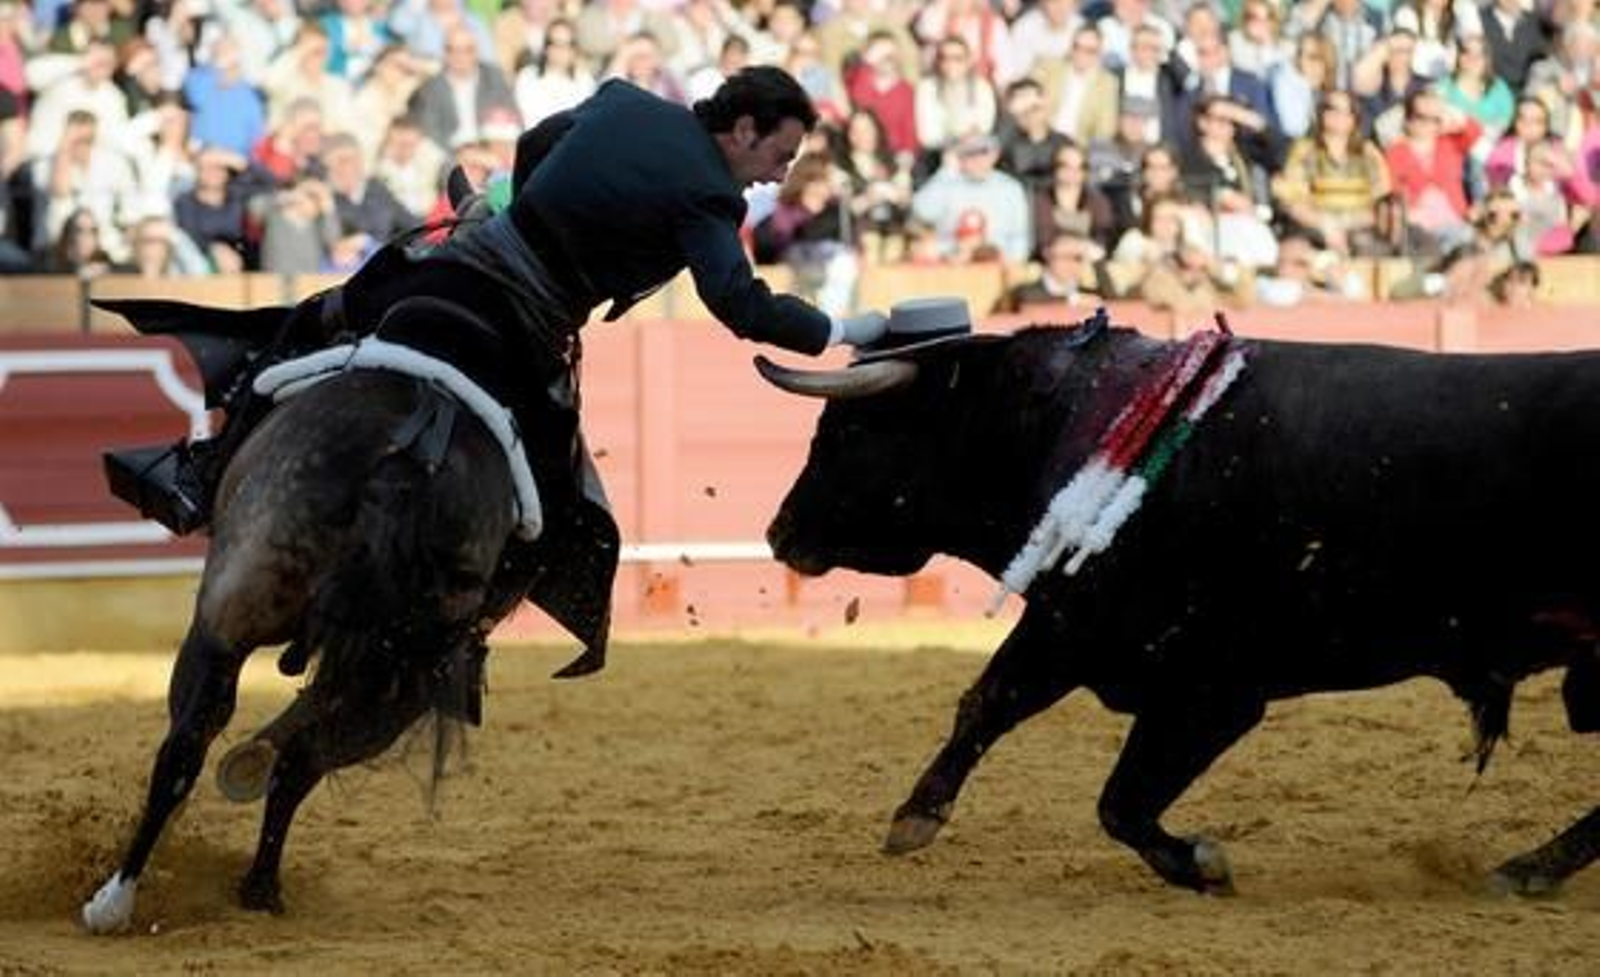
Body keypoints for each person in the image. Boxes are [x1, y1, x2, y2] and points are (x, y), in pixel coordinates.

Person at [111, 67, 890, 551]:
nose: (776, 178)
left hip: (468, 258)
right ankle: (485, 605)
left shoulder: (623, 100)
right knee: (556, 490)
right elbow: (740, 304)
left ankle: (202, 467)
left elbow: (534, 139)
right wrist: (844, 329)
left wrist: (517, 208)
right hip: (530, 321)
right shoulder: (711, 199)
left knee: (331, 313)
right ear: (743, 128)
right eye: (779, 157)